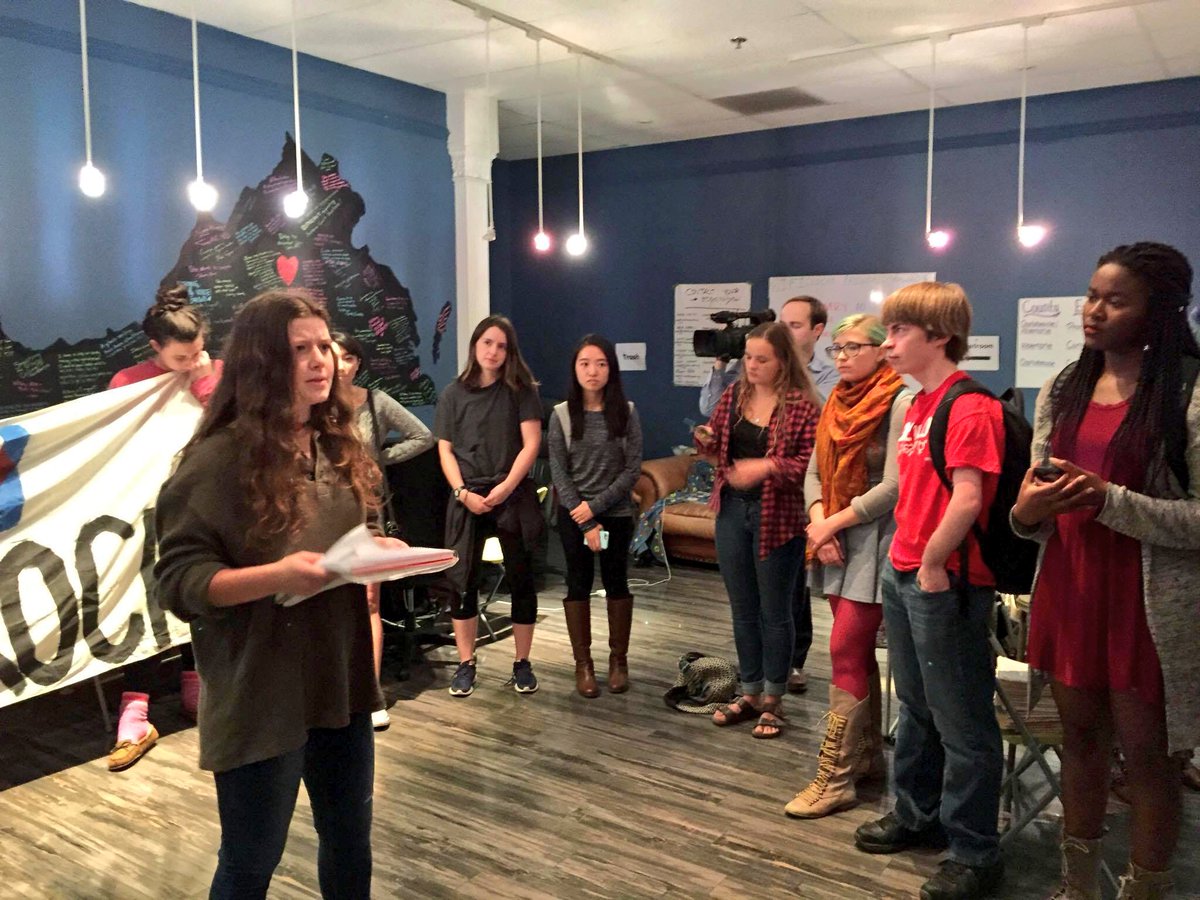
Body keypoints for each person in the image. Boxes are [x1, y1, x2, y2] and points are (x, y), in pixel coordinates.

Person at [154, 290, 394, 899]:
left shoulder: (337, 444)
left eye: (324, 346)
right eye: (300, 349)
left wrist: (377, 553)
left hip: (337, 679)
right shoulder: (217, 461)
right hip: (261, 689)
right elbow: (179, 583)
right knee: (251, 861)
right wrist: (279, 576)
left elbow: (347, 536)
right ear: (262, 362)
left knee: (349, 841)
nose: (322, 360)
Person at [1012, 243, 1200, 900]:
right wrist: (1027, 511)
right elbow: (1032, 496)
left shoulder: (1191, 393)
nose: (1093, 310)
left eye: (1114, 300)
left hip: (1149, 607)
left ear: (1162, 310)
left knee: (1152, 765)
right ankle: (1077, 887)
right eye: (1091, 294)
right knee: (1081, 743)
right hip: (1072, 588)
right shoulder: (1066, 385)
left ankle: (1142, 891)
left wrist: (1109, 500)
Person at [853, 282, 1005, 900]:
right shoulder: (917, 404)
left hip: (945, 581)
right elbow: (913, 492)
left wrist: (934, 562)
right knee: (914, 706)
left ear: (938, 337)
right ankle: (919, 816)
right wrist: (902, 558)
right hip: (907, 571)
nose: (886, 345)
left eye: (898, 333)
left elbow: (970, 497)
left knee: (962, 719)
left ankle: (975, 849)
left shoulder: (970, 408)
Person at [785, 314, 910, 818]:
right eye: (836, 348)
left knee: (844, 651)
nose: (841, 357)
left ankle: (835, 778)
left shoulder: (900, 400)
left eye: (854, 347)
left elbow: (896, 486)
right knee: (853, 656)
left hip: (876, 538)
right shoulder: (837, 400)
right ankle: (866, 762)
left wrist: (832, 523)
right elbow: (816, 470)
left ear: (882, 351)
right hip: (835, 539)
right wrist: (821, 521)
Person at [104, 283, 223, 773]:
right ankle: (136, 709)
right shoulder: (127, 381)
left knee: (199, 596)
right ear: (155, 347)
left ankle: (196, 686)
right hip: (144, 513)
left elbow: (226, 424)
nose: (191, 359)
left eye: (198, 350)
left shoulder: (211, 372)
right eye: (180, 355)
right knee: (145, 604)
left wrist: (201, 378)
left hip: (205, 508)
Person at [701, 296, 838, 696]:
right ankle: (749, 689)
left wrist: (766, 466)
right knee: (743, 610)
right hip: (732, 510)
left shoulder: (803, 405)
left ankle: (774, 696)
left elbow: (810, 467)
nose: (752, 366)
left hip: (778, 515)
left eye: (762, 359)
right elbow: (720, 448)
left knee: (775, 612)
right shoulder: (734, 396)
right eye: (748, 358)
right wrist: (710, 447)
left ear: (782, 361)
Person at [434, 315, 543, 697]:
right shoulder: (452, 393)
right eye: (488, 343)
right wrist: (462, 491)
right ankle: (466, 663)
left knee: (521, 578)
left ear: (509, 351)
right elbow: (444, 449)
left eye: (501, 345)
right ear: (475, 345)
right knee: (461, 583)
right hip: (468, 497)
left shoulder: (521, 390)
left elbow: (531, 444)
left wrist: (506, 488)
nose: (494, 351)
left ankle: (522, 663)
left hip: (511, 495)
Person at [331, 331, 434, 730]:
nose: (341, 364)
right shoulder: (314, 406)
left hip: (367, 510)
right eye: (334, 356)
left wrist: (380, 459)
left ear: (357, 363)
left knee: (369, 599)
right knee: (330, 601)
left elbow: (422, 436)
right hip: (324, 513)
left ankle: (371, 693)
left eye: (348, 358)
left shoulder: (374, 401)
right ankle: (335, 690)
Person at [548, 334, 644, 698]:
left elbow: (632, 469)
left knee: (617, 583)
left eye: (601, 364)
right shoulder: (561, 415)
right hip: (574, 516)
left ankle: (618, 661)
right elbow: (559, 471)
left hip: (616, 514)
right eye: (585, 364)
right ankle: (583, 665)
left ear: (611, 369)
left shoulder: (627, 412)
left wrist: (597, 507)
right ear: (575, 369)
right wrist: (584, 517)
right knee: (578, 584)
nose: (593, 371)